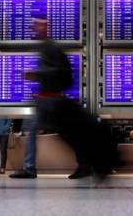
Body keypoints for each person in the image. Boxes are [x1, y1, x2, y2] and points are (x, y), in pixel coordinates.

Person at [10, 40, 120, 179]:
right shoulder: (47, 50)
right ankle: (83, 164)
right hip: (48, 102)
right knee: (65, 134)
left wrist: (37, 75)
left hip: (51, 103)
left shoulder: (51, 50)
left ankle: (31, 168)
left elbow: (57, 74)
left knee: (67, 134)